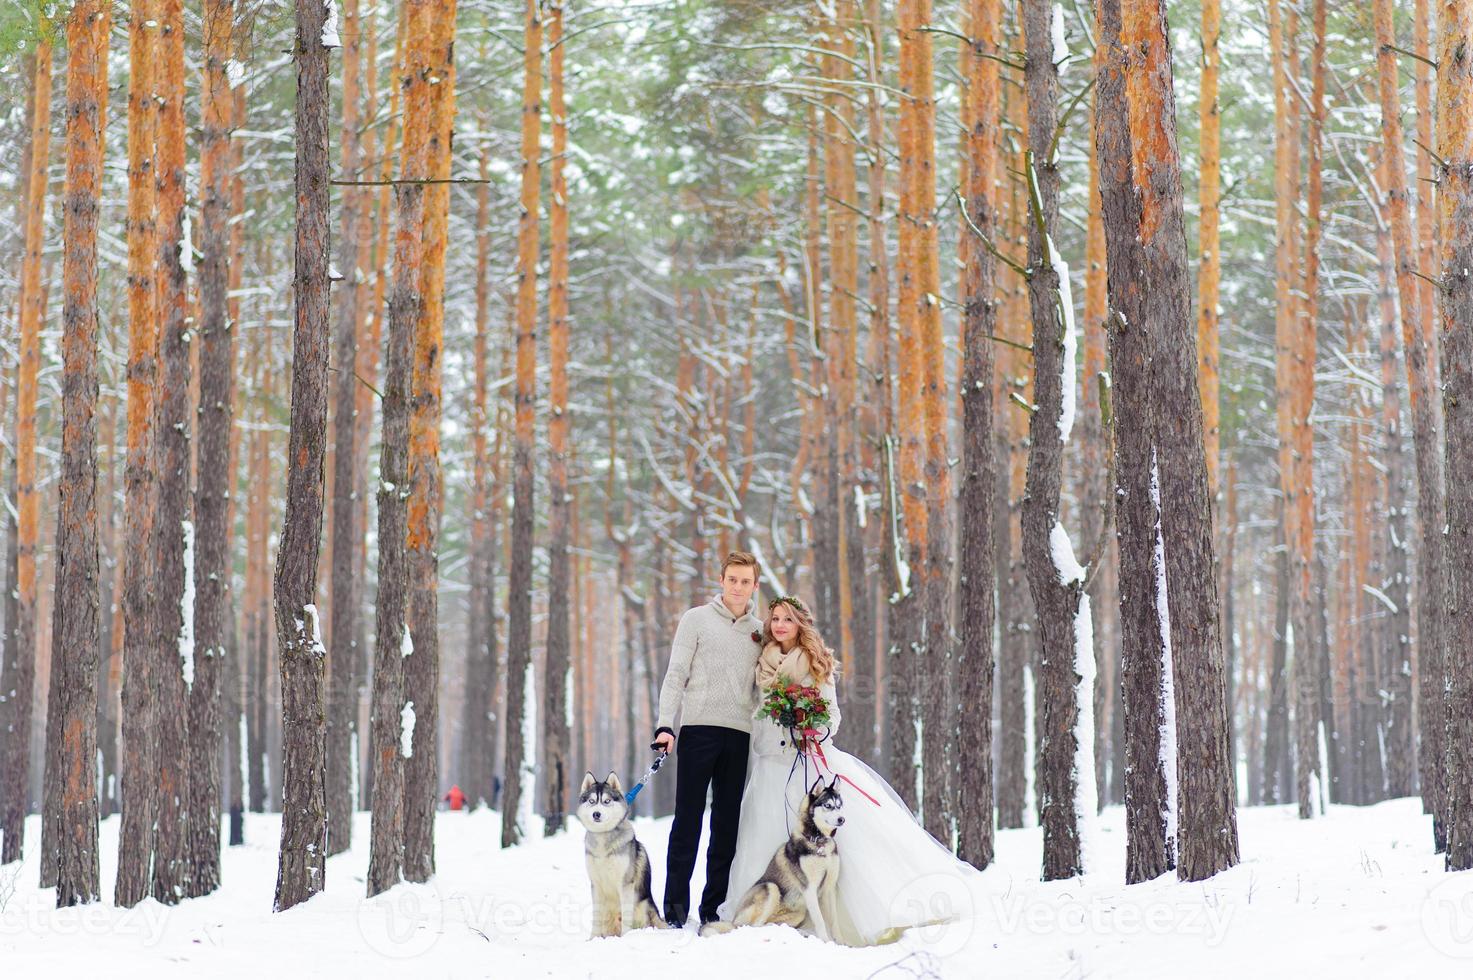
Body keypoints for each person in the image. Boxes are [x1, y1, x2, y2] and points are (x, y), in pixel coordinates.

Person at [717, 595, 984, 946]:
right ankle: (777, 914)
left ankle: (853, 916)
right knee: (765, 838)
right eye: (775, 619)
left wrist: (813, 728)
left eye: (788, 619)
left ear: (801, 624)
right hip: (770, 764)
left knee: (840, 843)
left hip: (811, 764)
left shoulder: (816, 661)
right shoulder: (762, 664)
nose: (780, 625)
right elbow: (755, 711)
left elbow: (833, 715)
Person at [651, 550, 765, 928]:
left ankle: (713, 909)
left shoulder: (761, 632)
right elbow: (675, 673)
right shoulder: (695, 620)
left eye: (745, 581)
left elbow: (765, 688)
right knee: (687, 822)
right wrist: (665, 725)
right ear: (721, 580)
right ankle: (674, 911)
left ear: (754, 585)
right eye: (732, 579)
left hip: (739, 736)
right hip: (698, 731)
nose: (738, 586)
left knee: (726, 826)